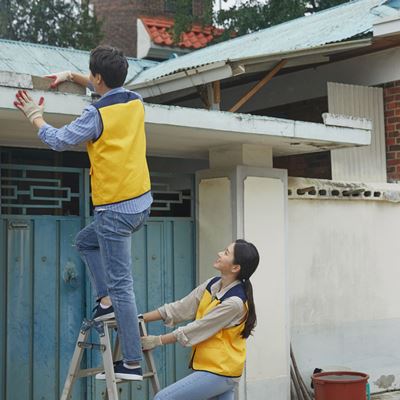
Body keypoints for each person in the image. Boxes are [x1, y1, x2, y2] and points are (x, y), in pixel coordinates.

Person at [13, 45, 152, 381]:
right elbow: (105, 90)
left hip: (115, 210)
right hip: (141, 203)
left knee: (123, 288)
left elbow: (59, 140)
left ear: (98, 77)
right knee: (85, 242)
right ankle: (104, 299)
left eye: (91, 75)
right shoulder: (134, 100)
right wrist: (71, 76)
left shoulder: (95, 115)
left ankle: (131, 362)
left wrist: (35, 117)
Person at [141, 239, 259, 400]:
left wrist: (158, 340)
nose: (219, 253)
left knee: (162, 398)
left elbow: (199, 328)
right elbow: (181, 308)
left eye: (226, 253)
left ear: (235, 267)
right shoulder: (213, 284)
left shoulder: (234, 303)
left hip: (220, 371)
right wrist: (140, 319)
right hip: (216, 369)